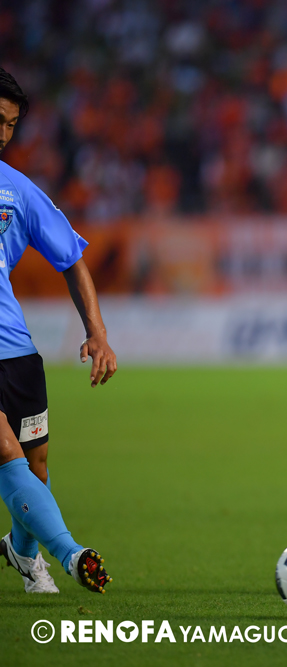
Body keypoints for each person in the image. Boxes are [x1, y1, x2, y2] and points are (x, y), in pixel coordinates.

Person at [0, 67, 114, 594]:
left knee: (36, 468)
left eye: (11, 124)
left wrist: (97, 332)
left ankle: (23, 553)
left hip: (16, 350)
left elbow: (71, 257)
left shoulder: (18, 192)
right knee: (6, 452)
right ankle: (71, 555)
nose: (4, 133)